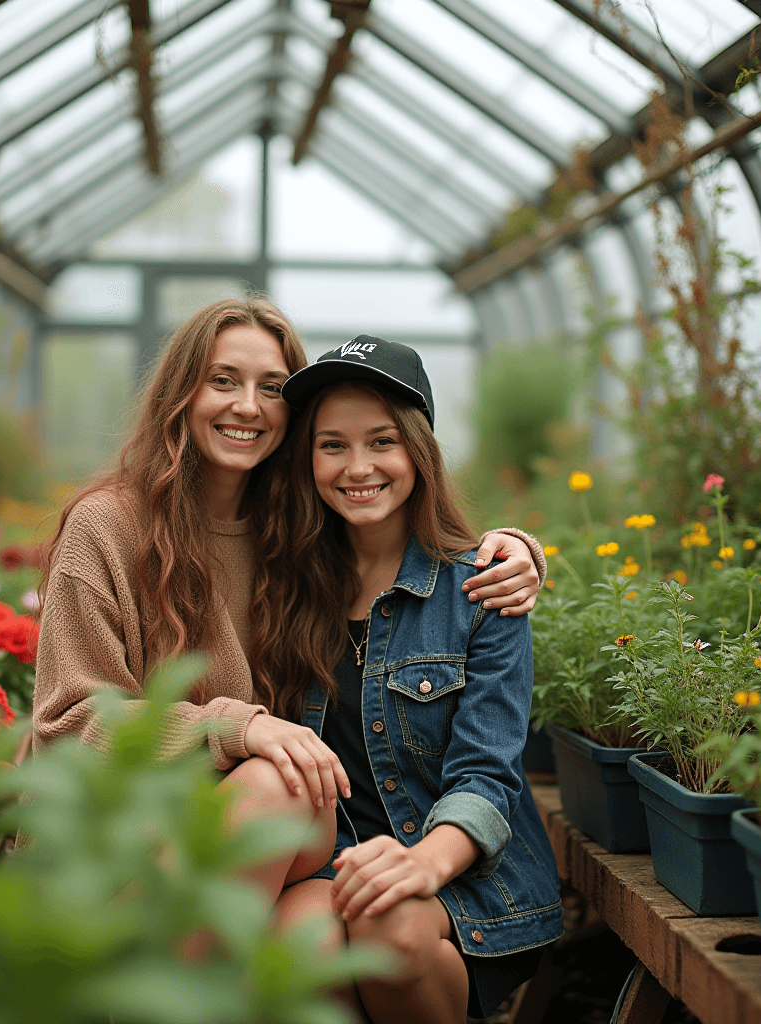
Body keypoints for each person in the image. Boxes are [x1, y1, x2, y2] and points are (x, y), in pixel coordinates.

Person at [34, 298, 547, 904]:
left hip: (273, 836)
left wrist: (516, 551)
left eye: (271, 387)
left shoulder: (296, 536)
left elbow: (398, 543)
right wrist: (235, 728)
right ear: (179, 394)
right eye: (222, 381)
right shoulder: (107, 528)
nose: (247, 406)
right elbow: (67, 723)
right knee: (281, 789)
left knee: (292, 807)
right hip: (127, 826)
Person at [267, 337, 562, 1023]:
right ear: (307, 459)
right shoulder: (282, 591)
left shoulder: (481, 590)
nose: (358, 467)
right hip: (337, 859)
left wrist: (422, 863)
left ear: (418, 452)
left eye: (381, 442)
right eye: (332, 445)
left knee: (390, 930)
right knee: (296, 948)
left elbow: (488, 775)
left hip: (466, 873)